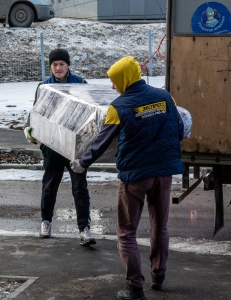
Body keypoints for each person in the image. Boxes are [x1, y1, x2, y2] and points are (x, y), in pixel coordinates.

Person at [70, 56, 185, 299]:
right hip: (164, 173)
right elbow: (180, 128)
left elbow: (100, 142)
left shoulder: (118, 107)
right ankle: (159, 275)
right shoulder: (166, 98)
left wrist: (82, 163)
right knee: (160, 226)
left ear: (124, 78)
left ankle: (134, 287)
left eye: (114, 80)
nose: (113, 86)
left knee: (126, 231)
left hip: (135, 176)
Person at [24, 48, 96, 246]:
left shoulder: (80, 84)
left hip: (76, 146)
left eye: (61, 64)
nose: (58, 68)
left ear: (68, 65)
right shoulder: (44, 86)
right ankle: (45, 221)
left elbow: (91, 112)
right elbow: (36, 112)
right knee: (49, 186)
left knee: (80, 187)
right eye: (54, 65)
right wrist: (29, 128)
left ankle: (84, 228)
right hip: (53, 144)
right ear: (50, 67)